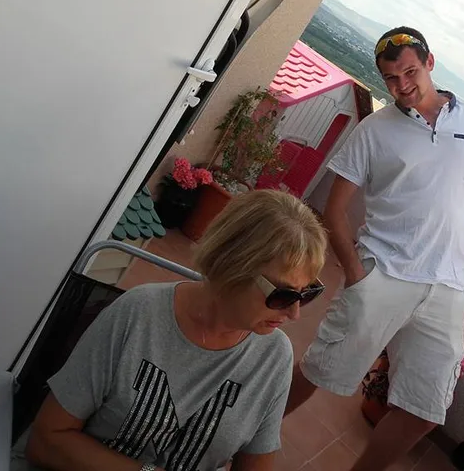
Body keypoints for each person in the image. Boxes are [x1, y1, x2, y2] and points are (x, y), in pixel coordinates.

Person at [284, 27, 464, 471]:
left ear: (430, 63)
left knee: (424, 410)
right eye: (391, 78)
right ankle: (241, 437)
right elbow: (335, 209)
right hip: (383, 272)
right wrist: (356, 273)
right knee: (321, 369)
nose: (403, 85)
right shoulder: (375, 130)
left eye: (410, 72)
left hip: (448, 286)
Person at [17, 190, 328, 471]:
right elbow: (46, 441)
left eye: (307, 293)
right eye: (283, 295)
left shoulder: (274, 357)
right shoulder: (138, 314)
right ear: (232, 266)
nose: (295, 313)